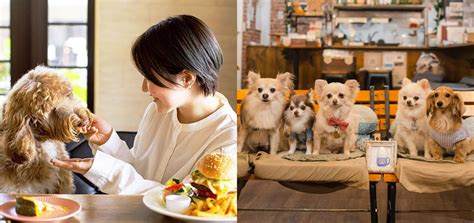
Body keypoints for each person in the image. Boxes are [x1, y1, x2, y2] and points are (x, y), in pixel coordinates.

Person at [52, 15, 236, 194]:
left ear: (186, 78)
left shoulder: (228, 139)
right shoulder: (157, 111)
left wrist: (105, 170)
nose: (144, 88)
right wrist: (108, 140)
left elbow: (183, 199)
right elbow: (139, 173)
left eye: (150, 78)